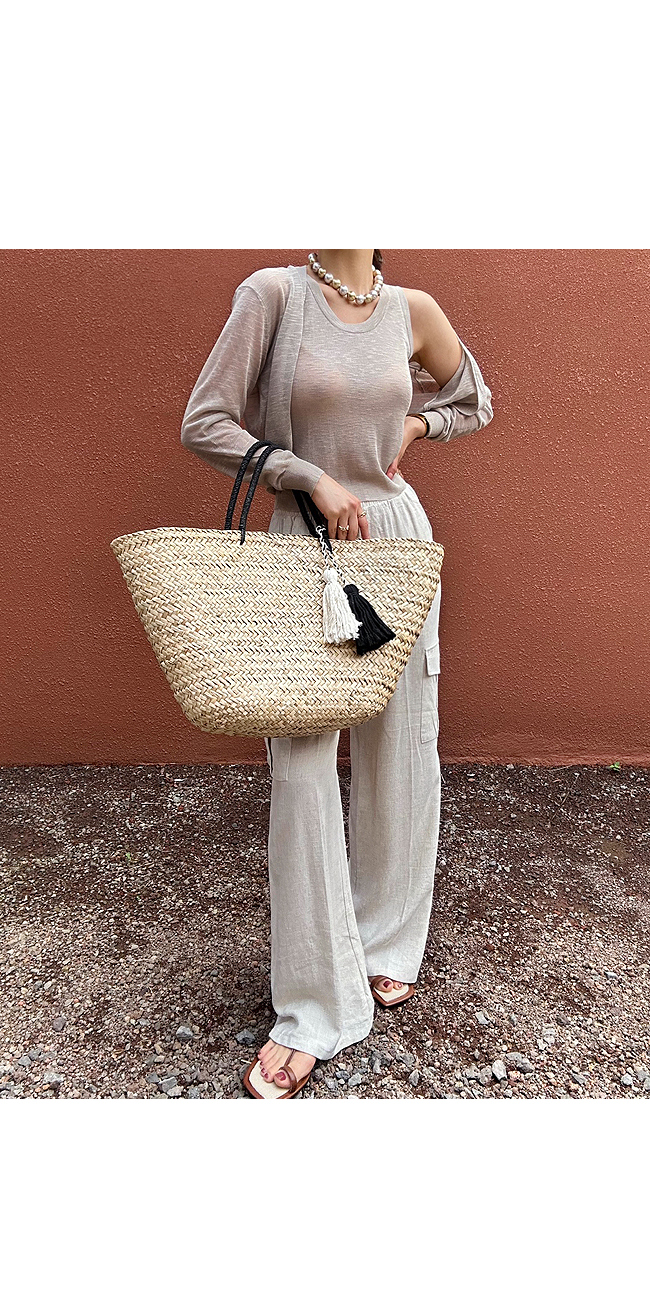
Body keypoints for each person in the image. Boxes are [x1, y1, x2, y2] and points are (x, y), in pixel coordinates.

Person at [180, 249, 494, 1098]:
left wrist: (418, 428)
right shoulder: (273, 296)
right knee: (302, 764)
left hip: (396, 542)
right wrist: (306, 473)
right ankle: (314, 1002)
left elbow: (474, 398)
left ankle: (387, 937)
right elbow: (205, 422)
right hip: (305, 551)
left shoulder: (413, 309)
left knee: (404, 740)